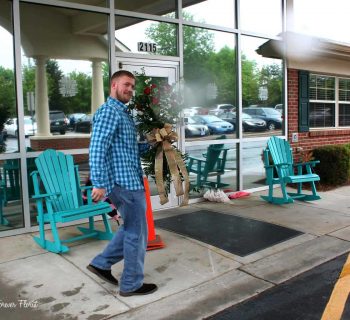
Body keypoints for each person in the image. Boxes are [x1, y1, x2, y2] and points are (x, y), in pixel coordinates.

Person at [87, 70, 157, 297]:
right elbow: (98, 148)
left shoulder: (123, 114)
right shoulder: (109, 112)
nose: (130, 89)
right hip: (123, 183)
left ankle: (101, 263)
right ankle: (131, 284)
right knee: (137, 234)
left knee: (131, 228)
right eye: (126, 84)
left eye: (132, 86)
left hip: (129, 179)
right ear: (114, 85)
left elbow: (126, 150)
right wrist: (98, 183)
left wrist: (151, 142)